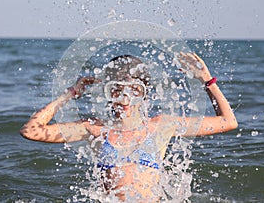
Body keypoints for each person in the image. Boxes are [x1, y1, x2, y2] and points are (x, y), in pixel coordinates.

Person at [20, 52, 238, 202]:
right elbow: (31, 130)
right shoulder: (93, 129)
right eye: (116, 90)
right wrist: (71, 93)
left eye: (134, 90)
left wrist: (207, 81)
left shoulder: (162, 125)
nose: (124, 99)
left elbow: (228, 121)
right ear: (107, 92)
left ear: (143, 94)